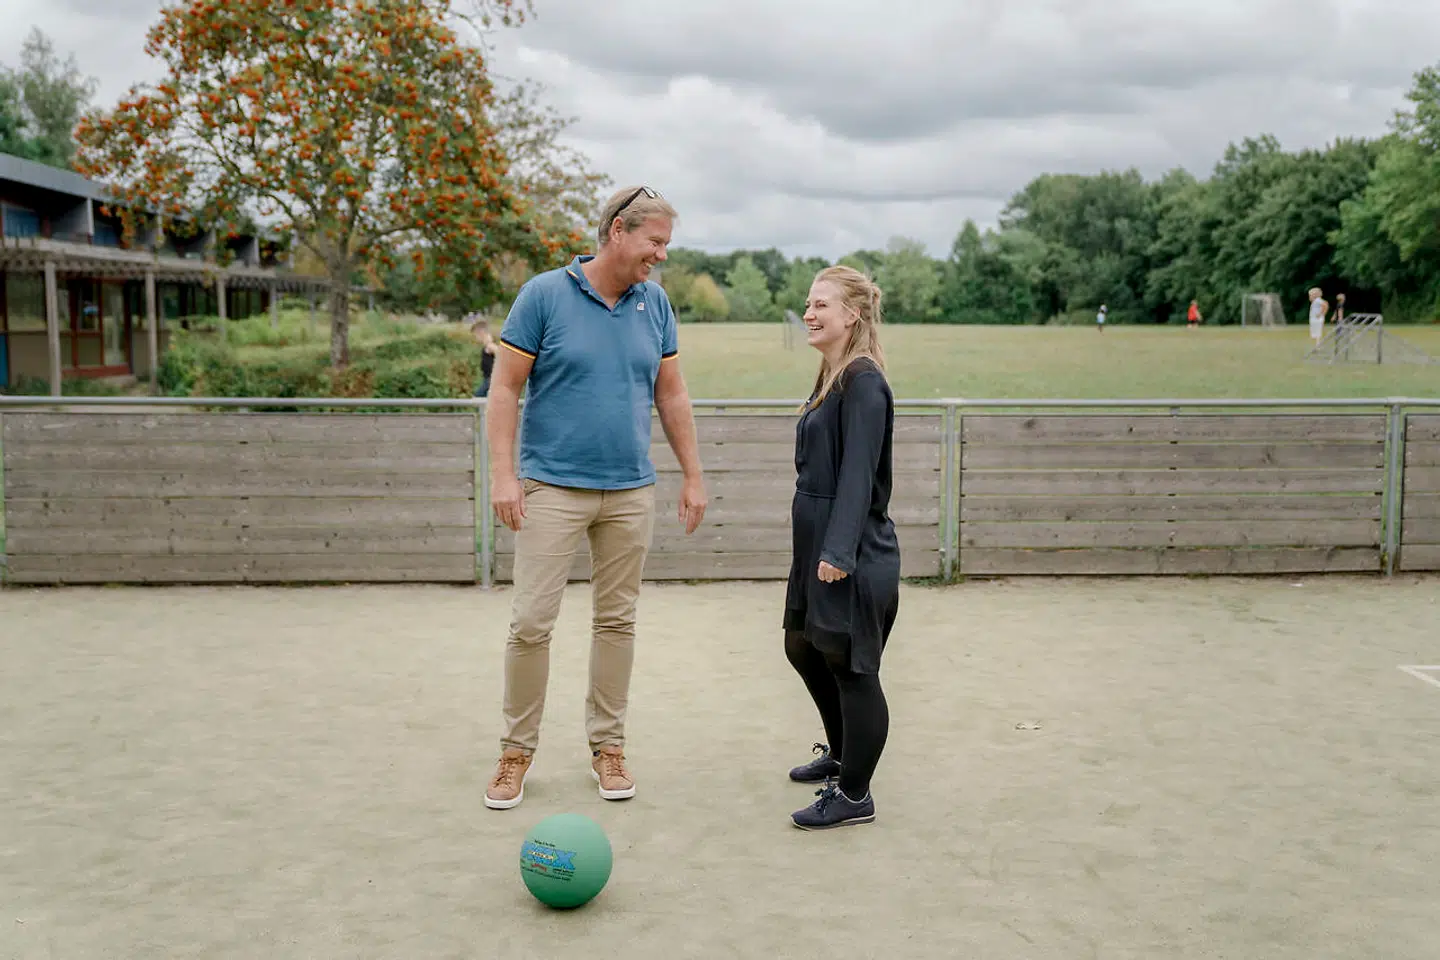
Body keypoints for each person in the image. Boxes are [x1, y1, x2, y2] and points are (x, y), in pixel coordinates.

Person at [483, 185, 708, 810]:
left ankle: (608, 748)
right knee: (531, 623)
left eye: (666, 243)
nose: (661, 255)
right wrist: (504, 477)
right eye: (654, 242)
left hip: (631, 491)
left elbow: (672, 395)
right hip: (551, 486)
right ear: (617, 231)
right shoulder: (543, 295)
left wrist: (693, 475)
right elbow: (504, 390)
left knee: (617, 621)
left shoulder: (655, 304)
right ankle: (515, 754)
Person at [783, 265, 900, 831]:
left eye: (822, 304)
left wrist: (839, 551)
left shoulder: (864, 381)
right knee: (802, 647)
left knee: (852, 667)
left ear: (851, 314)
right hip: (816, 543)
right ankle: (841, 752)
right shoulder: (829, 375)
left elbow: (858, 476)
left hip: (850, 549)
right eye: (809, 303)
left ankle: (855, 792)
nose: (810, 312)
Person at [470, 317, 498, 397]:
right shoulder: (487, 345)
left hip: (490, 380)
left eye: (475, 335)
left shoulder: (490, 346)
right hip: (488, 379)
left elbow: (500, 356)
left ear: (481, 333)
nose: (476, 338)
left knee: (476, 398)